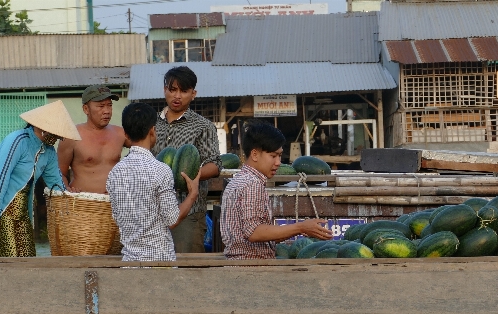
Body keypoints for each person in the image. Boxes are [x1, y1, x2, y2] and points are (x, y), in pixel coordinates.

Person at [0, 101, 81, 257]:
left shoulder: (49, 151)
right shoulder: (18, 140)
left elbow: (56, 181)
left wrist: (68, 195)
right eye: (56, 132)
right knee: (8, 258)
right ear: (42, 127)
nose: (58, 137)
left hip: (21, 208)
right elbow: (1, 175)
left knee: (28, 256)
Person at [221, 121, 331, 260]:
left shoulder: (240, 180)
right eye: (273, 156)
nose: (278, 162)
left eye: (280, 156)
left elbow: (250, 234)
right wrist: (301, 227)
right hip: (251, 267)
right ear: (255, 154)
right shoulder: (251, 184)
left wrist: (300, 231)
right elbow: (254, 233)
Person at [107, 103, 201, 262]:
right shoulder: (161, 170)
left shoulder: (114, 173)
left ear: (126, 134)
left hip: (129, 262)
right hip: (159, 263)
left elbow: (117, 219)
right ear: (152, 131)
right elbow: (172, 220)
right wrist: (192, 194)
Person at [151, 66, 221, 253]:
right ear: (164, 90)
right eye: (172, 90)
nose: (177, 96)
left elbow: (215, 164)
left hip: (188, 211)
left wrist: (191, 176)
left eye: (184, 91)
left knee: (188, 272)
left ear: (193, 94)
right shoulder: (152, 124)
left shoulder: (203, 126)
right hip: (152, 212)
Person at [57, 85, 127, 194]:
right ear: (86, 109)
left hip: (113, 204)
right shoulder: (71, 136)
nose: (107, 111)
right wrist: (67, 190)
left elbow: (143, 146)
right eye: (101, 106)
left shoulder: (121, 134)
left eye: (109, 105)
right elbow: (59, 173)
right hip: (82, 204)